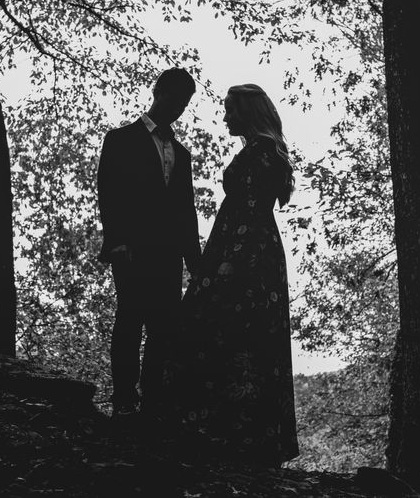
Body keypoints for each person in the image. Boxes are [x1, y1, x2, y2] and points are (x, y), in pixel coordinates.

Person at [168, 83, 299, 466]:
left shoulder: (261, 152)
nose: (225, 116)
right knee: (241, 335)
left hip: (247, 253)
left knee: (229, 332)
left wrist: (229, 261)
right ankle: (231, 434)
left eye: (229, 109)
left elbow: (253, 210)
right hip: (245, 248)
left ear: (247, 111)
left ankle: (228, 436)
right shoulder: (260, 150)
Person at [96, 68, 201, 422]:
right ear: (158, 93)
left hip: (168, 253)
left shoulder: (182, 154)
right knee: (129, 319)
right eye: (174, 99)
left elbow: (186, 209)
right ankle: (124, 398)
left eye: (185, 103)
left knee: (163, 327)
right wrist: (117, 242)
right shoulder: (120, 139)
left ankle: (152, 400)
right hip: (131, 250)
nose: (179, 108)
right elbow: (108, 194)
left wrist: (194, 259)